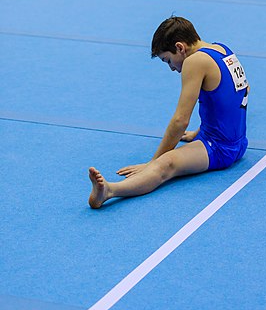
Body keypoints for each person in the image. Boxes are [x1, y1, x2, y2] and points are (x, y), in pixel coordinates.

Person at [88, 16, 249, 209]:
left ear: (180, 48)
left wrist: (153, 162)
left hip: (219, 148)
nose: (172, 68)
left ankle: (109, 190)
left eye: (168, 60)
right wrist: (202, 131)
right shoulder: (223, 50)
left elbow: (180, 120)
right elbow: (239, 94)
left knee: (167, 164)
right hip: (239, 143)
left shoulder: (195, 61)